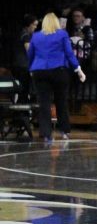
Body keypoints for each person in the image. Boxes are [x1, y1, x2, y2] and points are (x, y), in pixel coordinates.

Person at [27, 12, 86, 142]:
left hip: (40, 71)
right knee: (61, 101)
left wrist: (31, 68)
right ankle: (64, 131)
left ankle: (47, 134)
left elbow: (30, 54)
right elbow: (69, 54)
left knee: (44, 103)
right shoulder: (62, 34)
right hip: (59, 70)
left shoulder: (36, 36)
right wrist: (78, 69)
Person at [13, 14, 37, 102]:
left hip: (21, 65)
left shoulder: (23, 33)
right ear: (29, 25)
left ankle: (23, 112)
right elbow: (29, 50)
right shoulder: (25, 35)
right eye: (34, 25)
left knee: (23, 90)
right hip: (23, 67)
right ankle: (22, 112)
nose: (35, 27)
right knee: (24, 90)